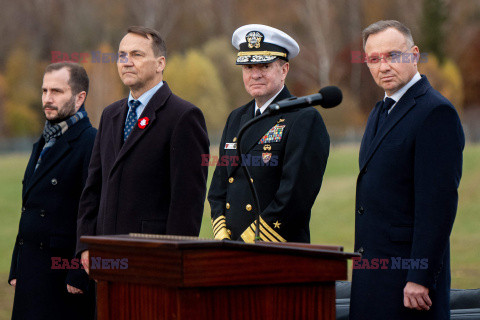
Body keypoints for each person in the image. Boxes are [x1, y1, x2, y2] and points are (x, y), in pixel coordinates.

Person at [350, 20, 464, 320]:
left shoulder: (435, 112)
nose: (383, 66)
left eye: (393, 55)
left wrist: (420, 276)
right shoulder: (380, 111)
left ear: (414, 54)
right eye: (374, 59)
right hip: (373, 276)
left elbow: (437, 206)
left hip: (409, 285)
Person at [77, 26, 209, 271]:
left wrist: (172, 260)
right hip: (105, 257)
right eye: (122, 55)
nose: (126, 62)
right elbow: (93, 187)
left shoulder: (184, 117)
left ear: (160, 63)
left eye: (136, 55)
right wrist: (85, 244)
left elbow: (187, 202)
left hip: (151, 261)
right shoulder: (110, 115)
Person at [208, 24, 330, 243]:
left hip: (274, 249)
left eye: (264, 66)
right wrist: (222, 233)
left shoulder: (303, 119)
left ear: (284, 70)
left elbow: (295, 196)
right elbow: (219, 187)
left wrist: (252, 238)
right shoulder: (236, 118)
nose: (255, 75)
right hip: (230, 248)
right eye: (248, 68)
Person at [8, 62, 96, 320]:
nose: (47, 99)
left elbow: (93, 209)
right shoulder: (43, 142)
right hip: (31, 270)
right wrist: (17, 265)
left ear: (80, 98)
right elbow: (29, 207)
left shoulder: (91, 142)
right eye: (44, 91)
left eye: (57, 91)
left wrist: (80, 273)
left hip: (63, 279)